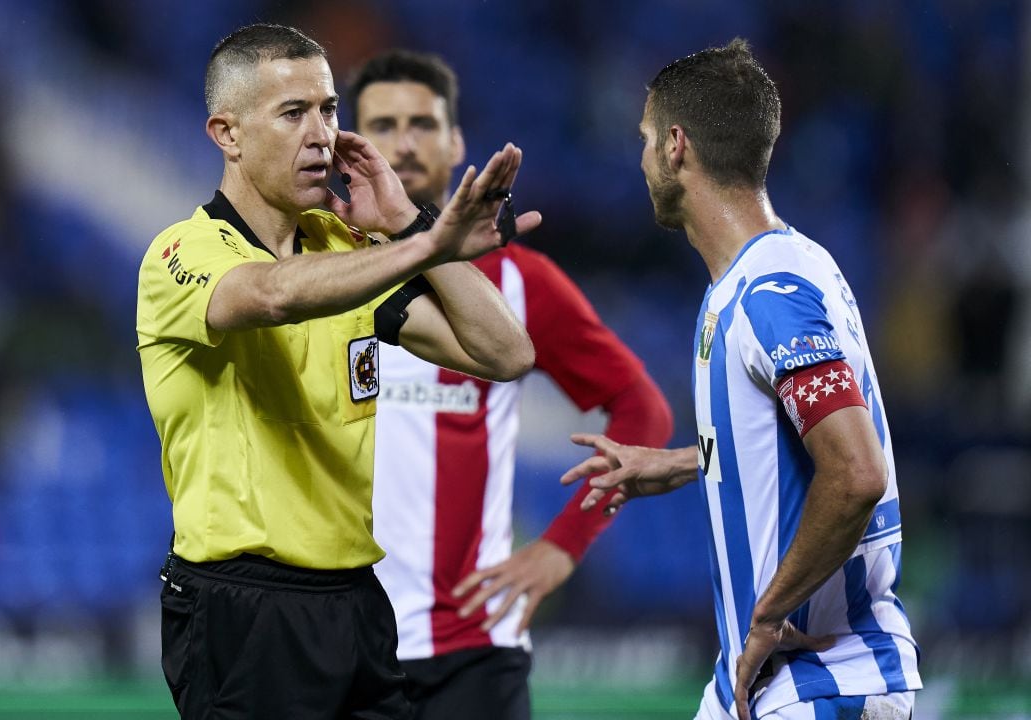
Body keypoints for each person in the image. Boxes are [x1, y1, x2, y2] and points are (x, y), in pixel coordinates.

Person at [136, 23, 542, 720]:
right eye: (293, 114)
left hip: (355, 598)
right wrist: (423, 246)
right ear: (227, 134)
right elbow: (271, 295)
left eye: (328, 109)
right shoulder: (181, 252)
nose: (321, 133)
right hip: (243, 606)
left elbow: (506, 354)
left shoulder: (343, 248)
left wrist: (418, 230)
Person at [561, 39, 921, 720]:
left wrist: (768, 613)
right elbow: (785, 448)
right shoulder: (780, 272)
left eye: (643, 140)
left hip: (818, 682)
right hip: (760, 686)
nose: (638, 161)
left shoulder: (769, 295)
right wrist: (673, 464)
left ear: (675, 146)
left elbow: (855, 471)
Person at [348, 49, 674, 719]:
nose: (404, 143)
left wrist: (563, 545)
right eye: (382, 125)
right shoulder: (316, 275)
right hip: (341, 646)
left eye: (423, 123)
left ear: (456, 142)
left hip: (472, 654)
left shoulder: (520, 282)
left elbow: (642, 411)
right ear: (354, 147)